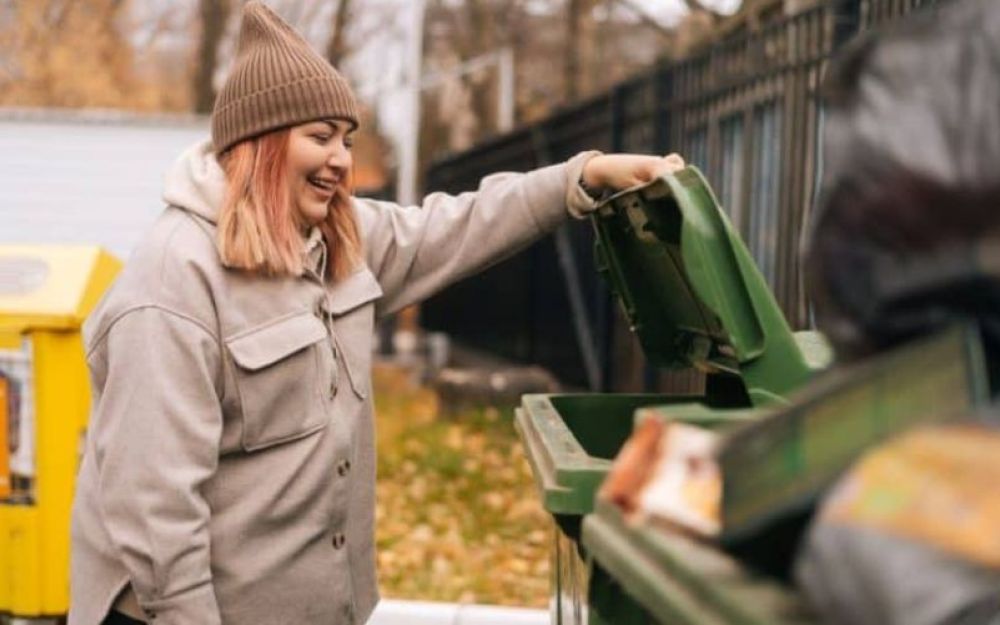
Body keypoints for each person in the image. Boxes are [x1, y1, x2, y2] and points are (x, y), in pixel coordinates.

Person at [67, 3, 685, 625]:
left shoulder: (336, 240)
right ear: (258, 144)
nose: (340, 159)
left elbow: (457, 224)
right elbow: (154, 510)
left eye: (346, 138)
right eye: (319, 136)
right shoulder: (173, 283)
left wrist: (580, 177)